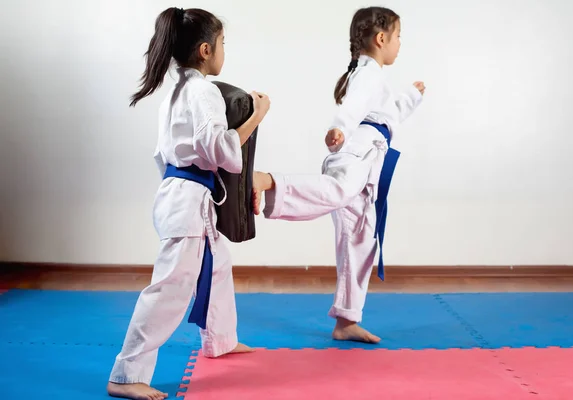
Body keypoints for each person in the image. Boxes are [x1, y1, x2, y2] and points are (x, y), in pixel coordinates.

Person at [107, 7, 270, 400]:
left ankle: (220, 339)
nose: (223, 51)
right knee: (171, 288)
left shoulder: (179, 90)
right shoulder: (202, 91)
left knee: (217, 267)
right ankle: (126, 374)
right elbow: (219, 150)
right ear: (204, 49)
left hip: (181, 193)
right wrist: (257, 116)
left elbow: (165, 154)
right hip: (186, 201)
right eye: (222, 44)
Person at [253, 6, 425, 344]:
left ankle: (346, 320)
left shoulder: (374, 76)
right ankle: (269, 181)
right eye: (398, 36)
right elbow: (353, 108)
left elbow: (388, 115)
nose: (400, 43)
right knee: (337, 191)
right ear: (381, 39)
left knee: (360, 238)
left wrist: (412, 97)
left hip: (367, 157)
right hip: (355, 151)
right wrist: (338, 129)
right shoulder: (369, 74)